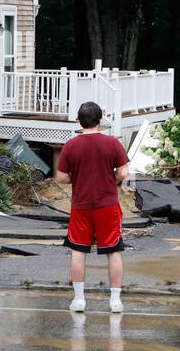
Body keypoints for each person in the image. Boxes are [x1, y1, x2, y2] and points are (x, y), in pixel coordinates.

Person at [55, 101, 130, 313]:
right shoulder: (112, 143)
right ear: (100, 120)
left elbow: (61, 177)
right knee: (114, 251)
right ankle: (115, 301)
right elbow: (124, 173)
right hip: (107, 205)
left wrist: (77, 177)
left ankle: (79, 300)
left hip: (81, 205)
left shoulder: (71, 145)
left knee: (78, 251)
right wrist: (111, 177)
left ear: (80, 120)